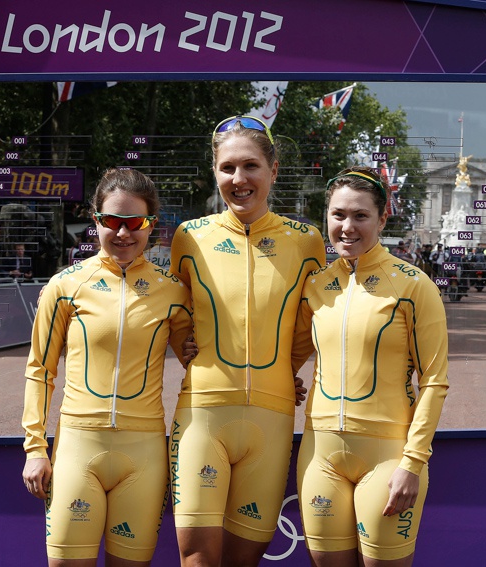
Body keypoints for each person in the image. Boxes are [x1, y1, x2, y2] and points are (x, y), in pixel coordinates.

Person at [168, 115, 325, 567]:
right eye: (228, 168)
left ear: (273, 171)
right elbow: (169, 302)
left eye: (251, 166)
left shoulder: (306, 241)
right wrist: (184, 344)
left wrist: (285, 371)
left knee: (244, 560)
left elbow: (317, 318)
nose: (239, 179)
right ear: (215, 172)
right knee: (196, 556)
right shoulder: (190, 237)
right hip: (203, 416)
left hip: (272, 417)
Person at [21, 168, 193, 567]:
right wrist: (35, 448)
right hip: (78, 448)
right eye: (112, 222)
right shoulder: (65, 285)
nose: (123, 234)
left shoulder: (174, 291)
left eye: (135, 223)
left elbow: (199, 360)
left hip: (144, 452)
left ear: (151, 224)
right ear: (95, 220)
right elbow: (39, 370)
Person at [295, 166, 449, 566]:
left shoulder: (414, 285)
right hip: (320, 454)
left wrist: (412, 464)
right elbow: (283, 351)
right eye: (338, 215)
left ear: (383, 218)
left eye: (360, 216)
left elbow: (434, 382)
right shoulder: (314, 285)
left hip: (388, 457)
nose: (347, 226)